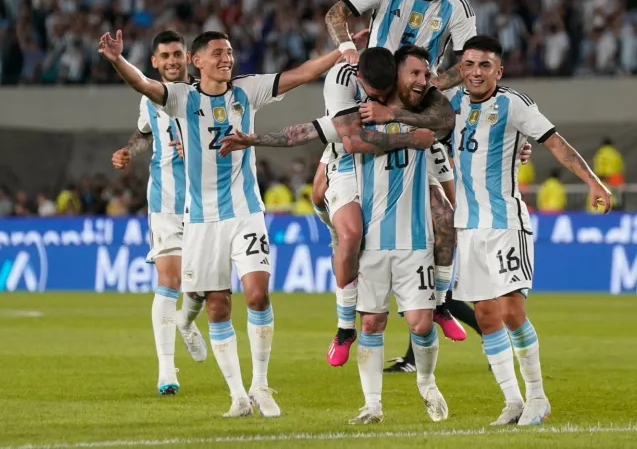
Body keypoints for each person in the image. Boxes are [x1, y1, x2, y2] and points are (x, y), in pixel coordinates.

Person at [98, 29, 344, 418]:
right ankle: (238, 396)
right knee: (216, 305)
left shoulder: (248, 90)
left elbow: (299, 74)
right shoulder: (182, 97)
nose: (226, 58)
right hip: (200, 219)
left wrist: (341, 52)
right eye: (217, 53)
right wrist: (116, 60)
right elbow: (142, 83)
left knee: (258, 294)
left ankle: (260, 385)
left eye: (229, 52)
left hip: (246, 211)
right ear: (198, 61)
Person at [219, 46, 450, 424]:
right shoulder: (355, 119)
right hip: (374, 238)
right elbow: (305, 131)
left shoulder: (422, 111)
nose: (419, 82)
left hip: (414, 239)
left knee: (421, 325)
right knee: (371, 323)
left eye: (421, 76)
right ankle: (372, 404)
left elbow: (449, 119)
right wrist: (255, 139)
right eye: (413, 75)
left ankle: (427, 382)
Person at [312, 0, 478, 364]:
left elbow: (466, 64)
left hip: (411, 117)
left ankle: (440, 302)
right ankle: (345, 326)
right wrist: (349, 51)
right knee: (349, 229)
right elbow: (336, 13)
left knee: (445, 217)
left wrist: (427, 85)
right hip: (370, 108)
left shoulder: (458, 10)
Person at [446, 35, 612, 426]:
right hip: (468, 226)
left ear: (498, 71)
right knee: (485, 315)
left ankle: (538, 396)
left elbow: (555, 143)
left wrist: (593, 182)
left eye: (485, 65)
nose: (475, 72)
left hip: (506, 222)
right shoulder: (451, 103)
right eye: (469, 64)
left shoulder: (513, 104)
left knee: (511, 311)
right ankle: (512, 401)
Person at [109, 30, 207, 396]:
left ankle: (185, 321)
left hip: (205, 202)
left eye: (177, 54)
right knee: (169, 281)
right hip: (165, 201)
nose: (171, 60)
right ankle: (167, 369)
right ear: (154, 61)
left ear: (188, 57)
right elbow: (144, 134)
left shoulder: (205, 95)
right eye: (164, 55)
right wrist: (127, 151)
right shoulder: (150, 99)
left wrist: (198, 149)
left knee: (204, 287)